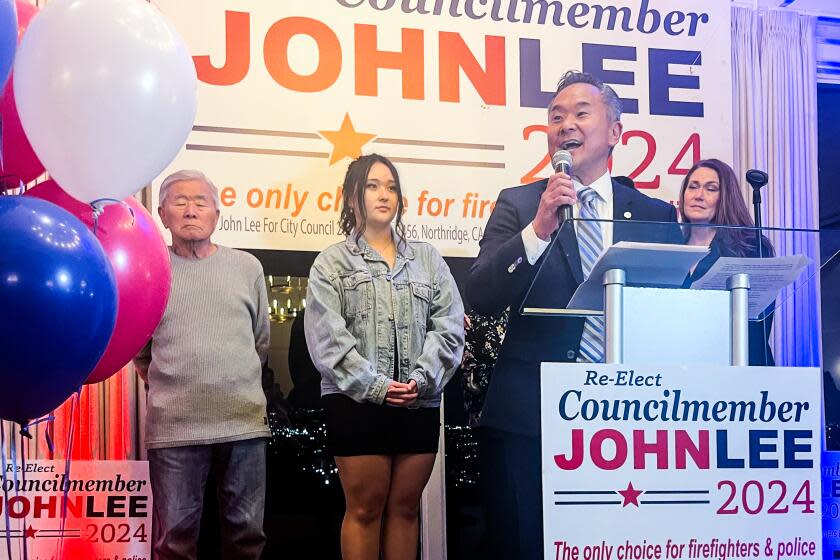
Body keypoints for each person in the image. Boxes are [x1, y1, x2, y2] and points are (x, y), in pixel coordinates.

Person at [467, 70, 680, 559]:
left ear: (615, 132)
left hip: (630, 418)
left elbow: (671, 307)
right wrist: (538, 231)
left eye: (581, 113)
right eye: (555, 117)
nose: (566, 125)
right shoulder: (520, 203)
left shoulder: (653, 214)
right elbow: (478, 292)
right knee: (527, 543)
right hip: (532, 414)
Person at [304, 154, 465, 560]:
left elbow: (448, 326)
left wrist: (422, 379)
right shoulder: (331, 263)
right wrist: (375, 386)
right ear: (353, 198)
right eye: (373, 186)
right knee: (363, 510)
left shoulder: (428, 258)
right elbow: (327, 341)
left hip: (419, 401)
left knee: (406, 510)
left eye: (391, 187)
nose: (384, 195)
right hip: (356, 403)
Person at [134, 169, 270, 560]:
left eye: (200, 201)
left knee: (247, 538)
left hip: (243, 423)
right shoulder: (151, 271)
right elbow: (141, 350)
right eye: (179, 201)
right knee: (174, 540)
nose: (191, 210)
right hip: (174, 427)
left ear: (217, 213)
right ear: (162, 213)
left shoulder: (247, 268)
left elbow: (258, 343)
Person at [679, 158, 775, 366]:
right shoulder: (670, 246)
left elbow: (759, 325)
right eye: (692, 187)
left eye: (710, 189)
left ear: (726, 198)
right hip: (683, 366)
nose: (698, 195)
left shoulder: (750, 247)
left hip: (738, 367)